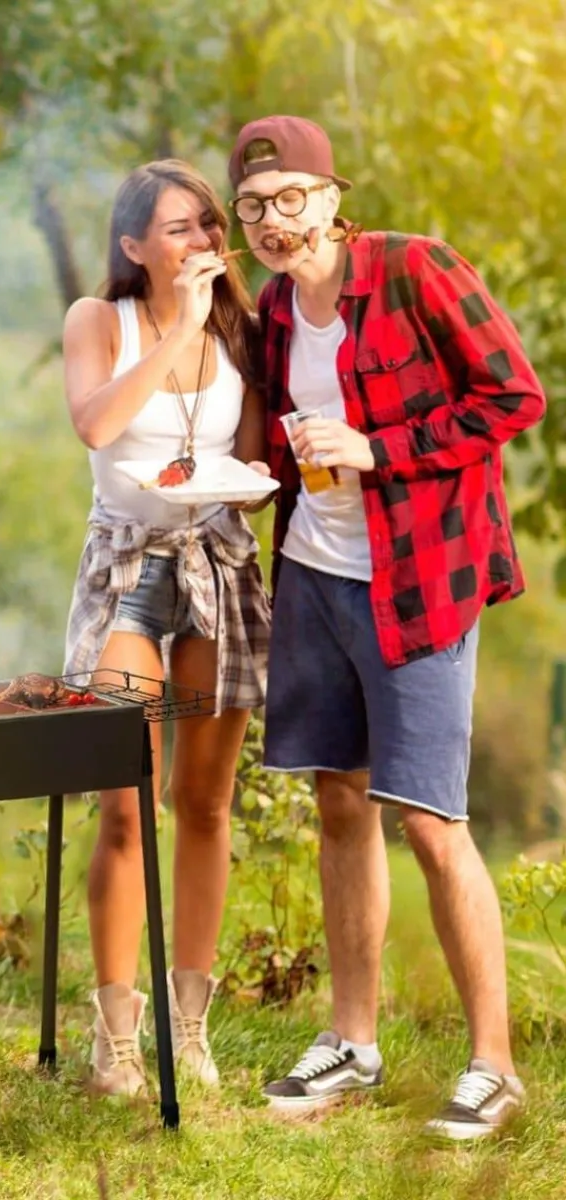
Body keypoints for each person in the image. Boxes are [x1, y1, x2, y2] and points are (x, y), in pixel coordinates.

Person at [228, 114, 546, 1138]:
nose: (274, 223)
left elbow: (513, 397)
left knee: (429, 822)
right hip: (317, 574)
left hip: (421, 582)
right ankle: (352, 1043)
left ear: (331, 194)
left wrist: (382, 448)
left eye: (289, 200)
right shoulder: (276, 312)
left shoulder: (415, 271)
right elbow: (286, 445)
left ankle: (493, 1067)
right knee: (339, 802)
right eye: (253, 210)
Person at [61, 160, 272, 1096]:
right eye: (177, 230)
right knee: (123, 797)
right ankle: (116, 1035)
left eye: (206, 227)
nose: (199, 245)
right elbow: (98, 428)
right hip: (126, 568)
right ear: (134, 244)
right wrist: (178, 326)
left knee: (206, 801)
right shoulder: (98, 321)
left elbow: (255, 462)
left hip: (219, 560)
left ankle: (189, 1028)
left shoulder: (244, 329)